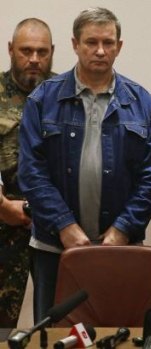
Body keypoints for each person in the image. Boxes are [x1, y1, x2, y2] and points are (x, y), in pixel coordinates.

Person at [18, 7, 151, 322]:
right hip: (54, 249)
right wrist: (65, 226)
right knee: (53, 333)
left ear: (119, 46)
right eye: (91, 42)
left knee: (115, 331)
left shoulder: (144, 104)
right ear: (75, 44)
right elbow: (31, 172)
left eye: (108, 42)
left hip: (121, 247)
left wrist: (122, 230)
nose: (100, 51)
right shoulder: (42, 100)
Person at [0, 17, 54, 328]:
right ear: (10, 50)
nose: (34, 59)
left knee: (58, 320)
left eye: (42, 52)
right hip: (4, 225)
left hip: (53, 227)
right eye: (26, 50)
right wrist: (3, 207)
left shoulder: (65, 95)